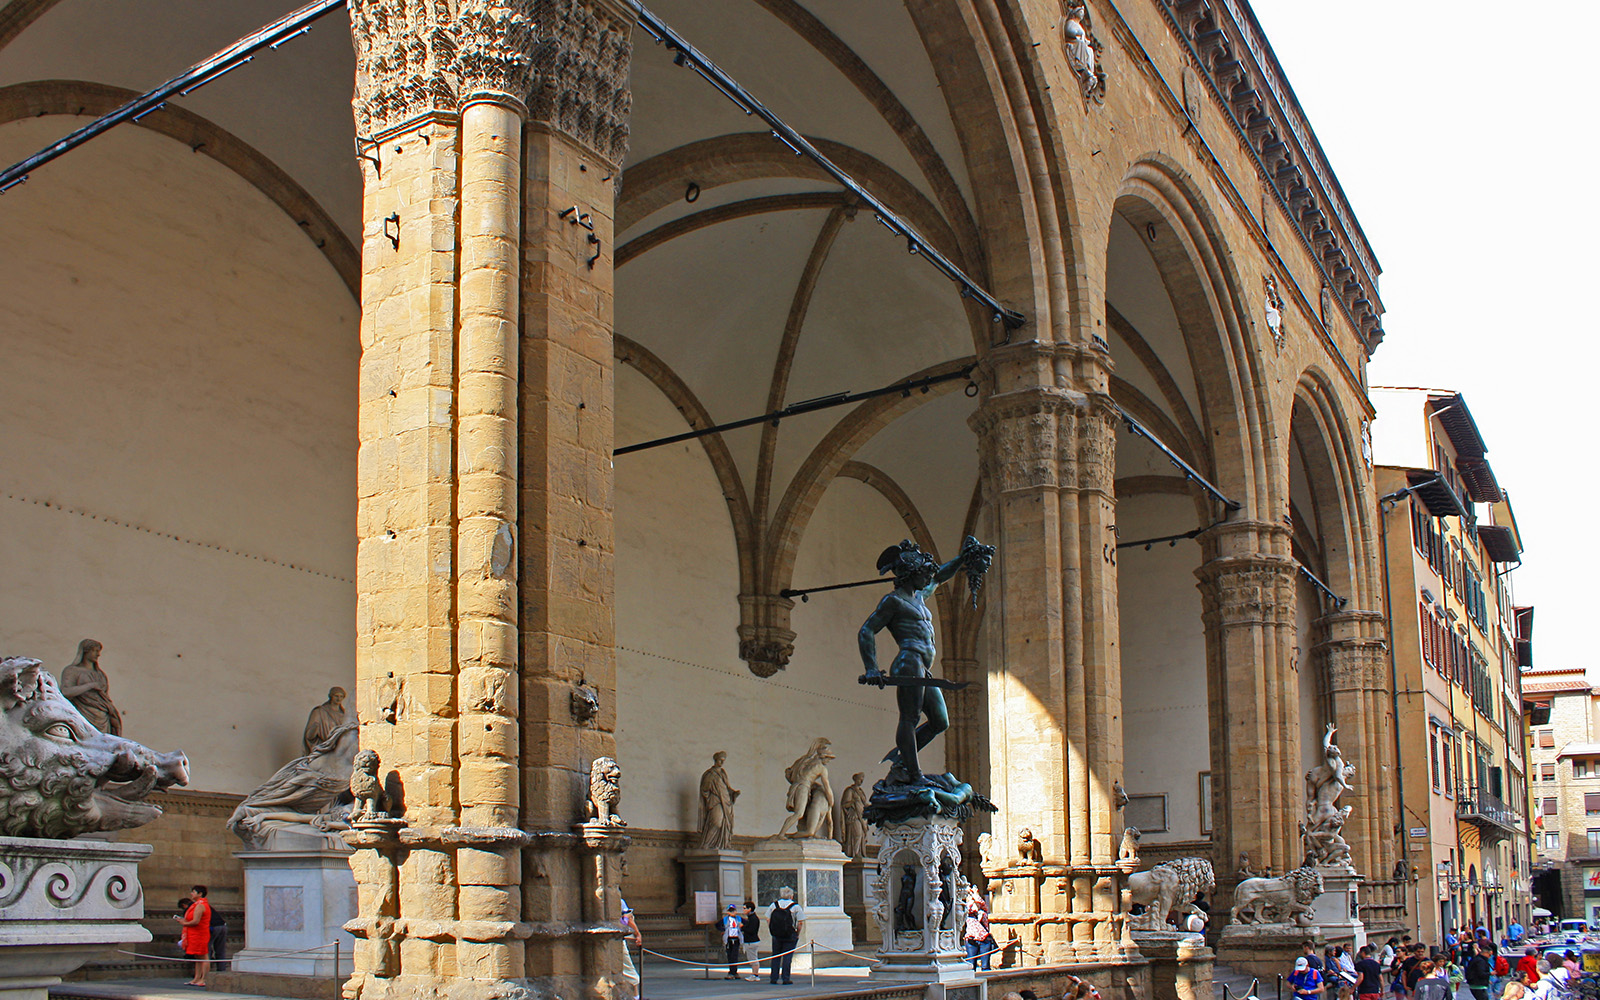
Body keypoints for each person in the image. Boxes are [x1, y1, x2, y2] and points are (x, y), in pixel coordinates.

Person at [859, 537, 991, 783]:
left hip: (923, 666)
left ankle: (901, 761)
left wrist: (963, 558)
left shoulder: (919, 597)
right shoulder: (894, 601)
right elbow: (867, 630)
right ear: (910, 574)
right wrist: (871, 668)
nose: (928, 578)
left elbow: (940, 576)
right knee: (910, 718)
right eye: (923, 574)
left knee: (941, 721)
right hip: (908, 661)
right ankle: (914, 773)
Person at [59, 638, 122, 734]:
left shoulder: (100, 674)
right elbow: (65, 692)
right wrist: (90, 685)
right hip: (82, 713)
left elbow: (104, 697)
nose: (98, 654)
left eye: (98, 651)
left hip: (103, 716)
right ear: (86, 651)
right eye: (95, 651)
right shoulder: (72, 671)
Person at [176, 885, 212, 987]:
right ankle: (197, 978)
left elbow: (195, 921)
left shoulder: (201, 905)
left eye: (194, 892)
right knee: (197, 956)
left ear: (200, 894)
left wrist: (183, 923)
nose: (192, 894)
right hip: (194, 933)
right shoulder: (196, 904)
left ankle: (203, 978)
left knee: (203, 955)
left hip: (200, 933)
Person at [768, 886, 802, 985]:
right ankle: (785, 978)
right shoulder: (795, 907)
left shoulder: (774, 905)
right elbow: (800, 922)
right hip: (790, 934)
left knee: (776, 956)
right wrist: (797, 933)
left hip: (776, 935)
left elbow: (767, 918)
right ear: (791, 896)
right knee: (787, 957)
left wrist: (772, 930)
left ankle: (773, 978)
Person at [964, 887, 995, 971]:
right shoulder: (968, 913)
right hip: (972, 939)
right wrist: (970, 896)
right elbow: (968, 907)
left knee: (985, 966)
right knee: (971, 964)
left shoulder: (983, 911)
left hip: (984, 939)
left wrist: (975, 893)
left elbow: (982, 903)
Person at [618, 899, 641, 1000]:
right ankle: (635, 997)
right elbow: (627, 921)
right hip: (618, 941)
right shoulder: (619, 902)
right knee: (630, 973)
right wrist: (638, 934)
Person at [740, 900, 762, 981]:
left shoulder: (753, 919)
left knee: (753, 958)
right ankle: (755, 974)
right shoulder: (751, 918)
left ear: (750, 909)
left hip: (751, 941)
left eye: (745, 908)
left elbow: (751, 930)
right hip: (751, 941)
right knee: (752, 958)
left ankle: (755, 975)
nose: (743, 910)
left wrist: (742, 927)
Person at [722, 904, 744, 979]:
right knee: (730, 955)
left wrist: (742, 928)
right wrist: (723, 931)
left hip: (736, 939)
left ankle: (734, 972)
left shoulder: (739, 918)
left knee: (735, 955)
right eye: (730, 911)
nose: (732, 912)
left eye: (733, 910)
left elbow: (746, 924)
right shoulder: (725, 919)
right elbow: (718, 925)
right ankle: (732, 971)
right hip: (729, 939)